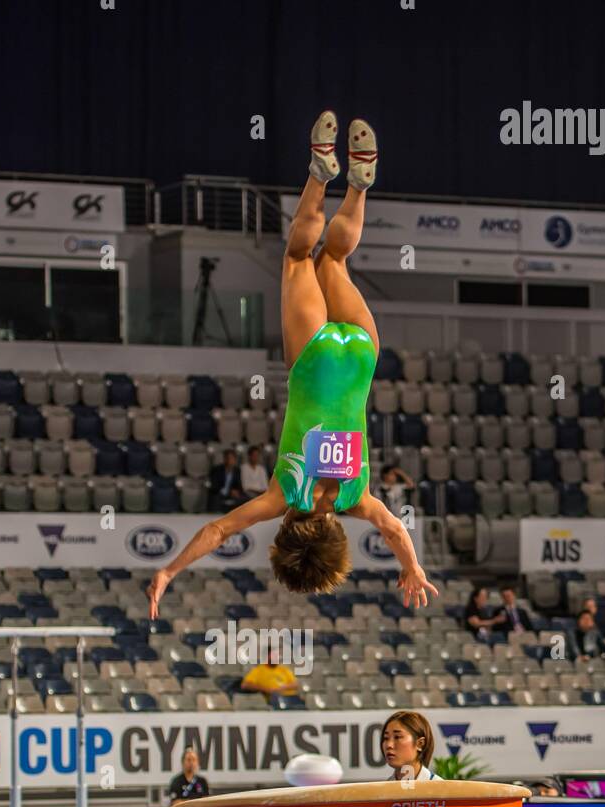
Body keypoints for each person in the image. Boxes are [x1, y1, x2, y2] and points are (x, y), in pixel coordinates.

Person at [147, 113, 437, 618]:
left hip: (362, 356)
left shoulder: (358, 496)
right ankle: (320, 175)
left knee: (335, 261)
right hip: (315, 357)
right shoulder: (284, 493)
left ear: (338, 539)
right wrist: (169, 570)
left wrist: (412, 566)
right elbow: (220, 531)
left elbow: (394, 529)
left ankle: (359, 188)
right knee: (300, 257)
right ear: (284, 536)